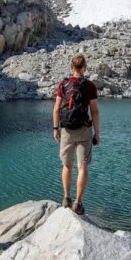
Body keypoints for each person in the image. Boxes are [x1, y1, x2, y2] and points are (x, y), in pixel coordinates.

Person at [53, 54, 100, 215]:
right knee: (82, 166)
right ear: (85, 67)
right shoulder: (89, 86)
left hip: (66, 129)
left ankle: (66, 198)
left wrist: (55, 128)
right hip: (84, 130)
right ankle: (78, 203)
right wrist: (97, 134)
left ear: (71, 67)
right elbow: (94, 111)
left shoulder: (63, 84)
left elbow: (57, 108)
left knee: (67, 165)